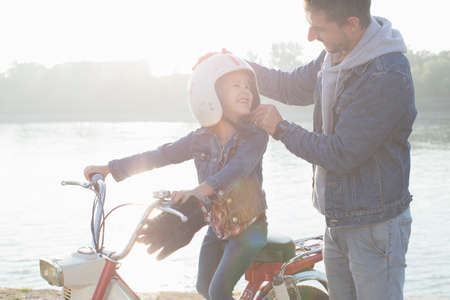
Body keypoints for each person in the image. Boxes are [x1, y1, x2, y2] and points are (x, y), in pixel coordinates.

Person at [248, 0, 417, 299]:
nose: (311, 36)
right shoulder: (334, 55)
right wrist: (237, 65)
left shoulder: (386, 74)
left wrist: (281, 128)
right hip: (337, 222)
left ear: (352, 24)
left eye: (319, 28)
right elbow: (290, 86)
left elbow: (341, 154)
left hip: (374, 228)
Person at [84, 53, 269, 300]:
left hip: (249, 230)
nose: (245, 90)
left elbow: (236, 170)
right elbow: (161, 155)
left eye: (248, 86)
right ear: (211, 94)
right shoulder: (199, 139)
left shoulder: (255, 137)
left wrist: (198, 190)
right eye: (236, 85)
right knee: (203, 287)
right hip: (217, 227)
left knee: (218, 291)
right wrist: (110, 168)